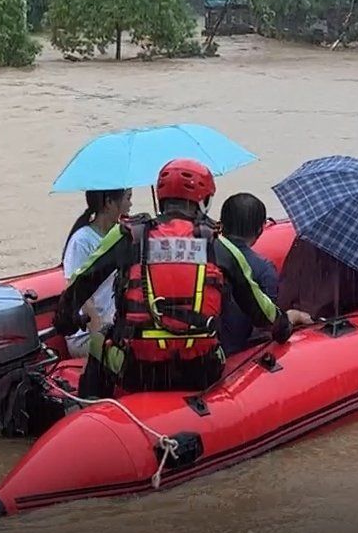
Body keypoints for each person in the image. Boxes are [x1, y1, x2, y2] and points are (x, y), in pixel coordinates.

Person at [54, 159, 292, 398]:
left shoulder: (129, 235)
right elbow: (262, 312)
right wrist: (284, 328)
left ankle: (94, 410)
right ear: (204, 201)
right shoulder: (219, 245)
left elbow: (80, 283)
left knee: (98, 342)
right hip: (201, 371)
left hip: (139, 372)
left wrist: (65, 320)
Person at [60, 188, 133, 360]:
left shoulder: (121, 234)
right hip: (86, 335)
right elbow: (79, 292)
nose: (131, 204)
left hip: (116, 326)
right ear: (109, 203)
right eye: (128, 198)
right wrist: (99, 337)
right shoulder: (82, 241)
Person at [215, 193, 280, 355]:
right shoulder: (264, 269)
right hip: (236, 356)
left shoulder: (204, 256)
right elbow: (269, 324)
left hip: (206, 350)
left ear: (222, 224)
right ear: (260, 228)